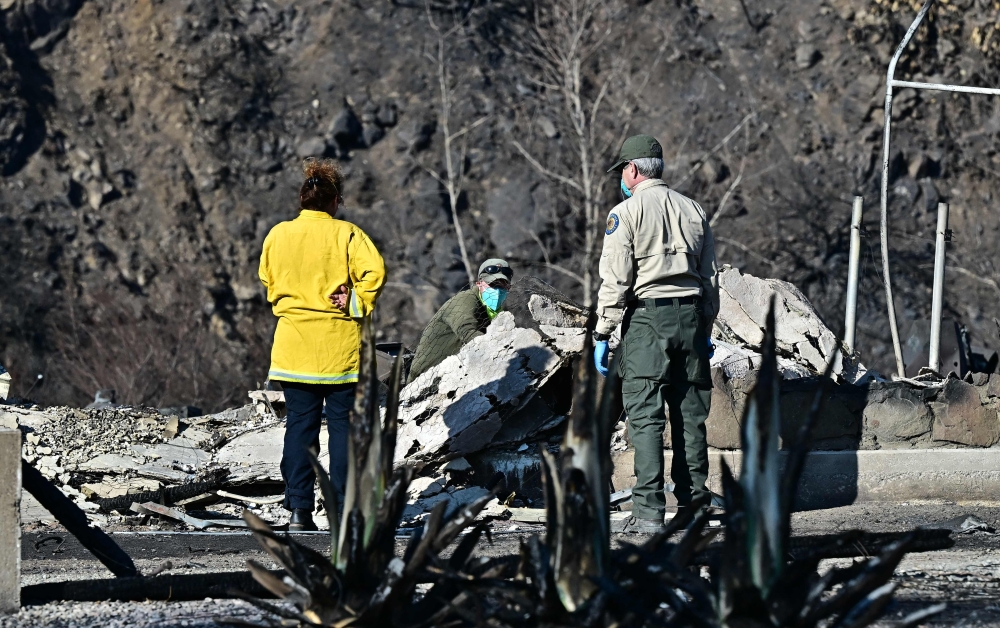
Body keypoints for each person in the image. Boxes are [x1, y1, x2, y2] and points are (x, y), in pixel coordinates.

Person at [593, 135, 719, 533]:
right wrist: (706, 326)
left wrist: (602, 331)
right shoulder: (694, 209)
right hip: (693, 317)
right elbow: (709, 277)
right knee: (689, 417)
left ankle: (648, 513)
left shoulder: (625, 213)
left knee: (645, 417)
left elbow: (615, 280)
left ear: (631, 170)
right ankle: (694, 508)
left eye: (622, 172)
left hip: (648, 321)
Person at [258, 158, 386, 531]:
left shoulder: (277, 235)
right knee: (343, 428)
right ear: (333, 202)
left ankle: (299, 510)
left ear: (302, 201)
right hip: (338, 349)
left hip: (293, 347)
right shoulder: (347, 234)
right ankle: (343, 510)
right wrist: (354, 301)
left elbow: (267, 276)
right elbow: (374, 273)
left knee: (300, 426)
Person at [408, 259, 513, 382]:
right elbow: (467, 331)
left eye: (502, 287)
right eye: (492, 285)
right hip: (427, 379)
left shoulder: (495, 312)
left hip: (458, 373)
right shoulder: (465, 300)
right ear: (479, 284)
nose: (497, 291)